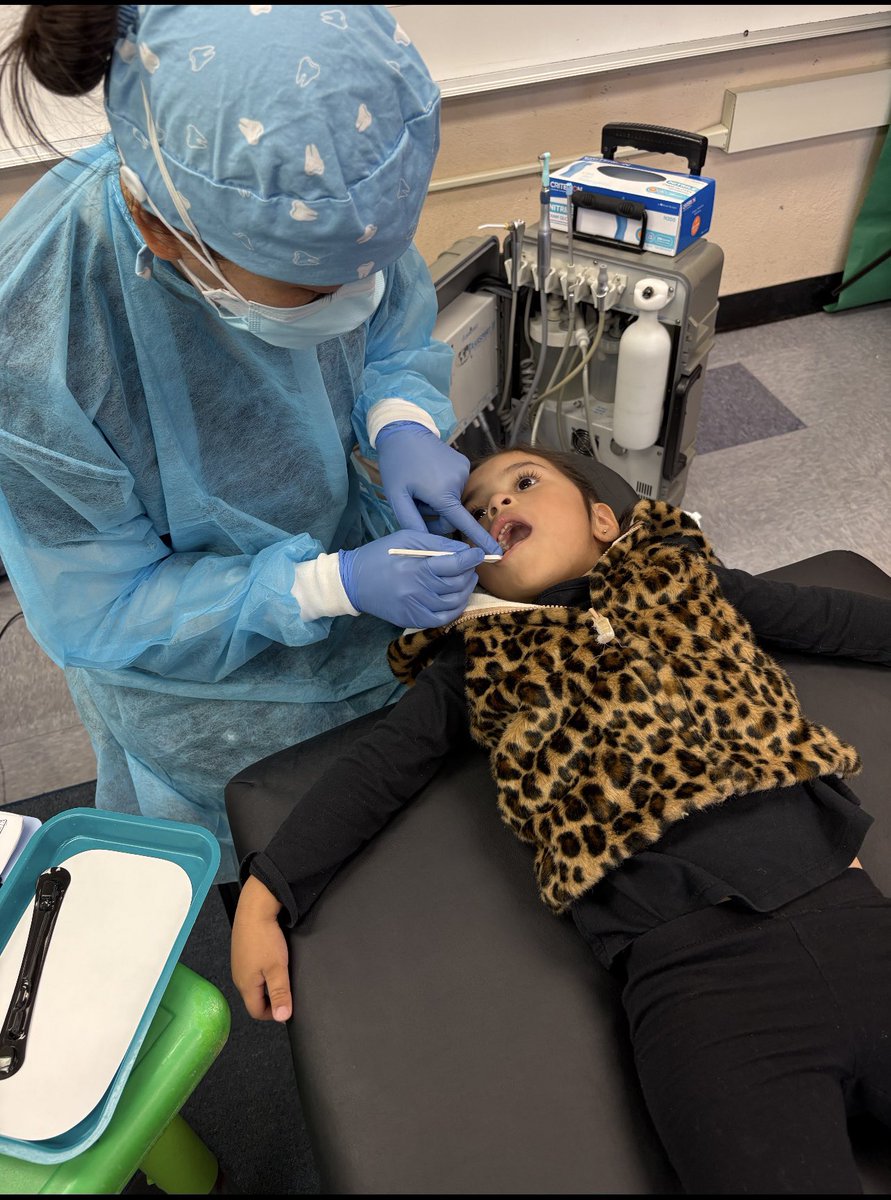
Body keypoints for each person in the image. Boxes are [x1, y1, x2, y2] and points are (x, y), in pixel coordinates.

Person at [231, 444, 891, 1194]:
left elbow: (825, 617)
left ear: (603, 520)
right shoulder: (472, 661)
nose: (495, 509)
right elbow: (375, 772)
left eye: (523, 483)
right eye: (472, 514)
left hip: (854, 924)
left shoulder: (683, 581)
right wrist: (265, 893)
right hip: (701, 987)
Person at [0, 5, 501, 880]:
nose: (348, 300)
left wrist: (402, 422)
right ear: (163, 230)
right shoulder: (37, 344)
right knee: (270, 867)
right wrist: (322, 585)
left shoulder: (325, 181)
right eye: (308, 294)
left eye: (362, 272)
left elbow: (390, 334)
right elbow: (102, 608)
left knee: (390, 835)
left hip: (380, 647)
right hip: (211, 703)